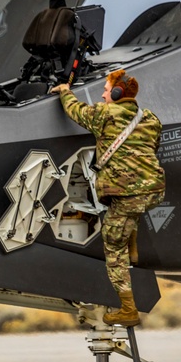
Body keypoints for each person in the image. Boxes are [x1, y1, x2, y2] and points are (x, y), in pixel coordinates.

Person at [50, 69, 165, 326]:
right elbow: (152, 147)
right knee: (128, 211)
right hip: (153, 191)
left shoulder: (104, 115)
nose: (103, 93)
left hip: (128, 195)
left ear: (116, 93)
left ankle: (127, 309)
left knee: (113, 248)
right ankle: (132, 249)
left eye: (106, 88)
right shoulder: (150, 118)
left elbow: (76, 111)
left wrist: (64, 92)